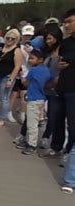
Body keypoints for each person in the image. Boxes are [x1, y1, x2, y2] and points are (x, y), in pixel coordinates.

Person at [0, 29, 23, 127]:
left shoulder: (17, 50)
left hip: (7, 76)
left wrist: (11, 79)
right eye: (8, 38)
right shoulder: (1, 47)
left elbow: (17, 66)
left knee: (4, 99)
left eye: (12, 38)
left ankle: (2, 118)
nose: (10, 40)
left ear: (16, 39)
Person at [19, 48, 52, 155]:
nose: (30, 60)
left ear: (40, 59)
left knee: (32, 124)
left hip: (33, 99)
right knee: (35, 121)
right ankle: (30, 142)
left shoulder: (33, 70)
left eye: (32, 58)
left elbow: (26, 82)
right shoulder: (47, 70)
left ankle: (31, 144)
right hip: (42, 98)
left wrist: (22, 78)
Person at [39, 26, 65, 156]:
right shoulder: (48, 52)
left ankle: (50, 140)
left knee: (54, 116)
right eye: (46, 39)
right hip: (45, 86)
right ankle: (50, 140)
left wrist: (55, 80)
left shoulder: (62, 51)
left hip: (56, 87)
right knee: (47, 114)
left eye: (49, 38)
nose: (47, 41)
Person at [56, 8, 75, 168]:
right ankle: (57, 148)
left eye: (70, 21)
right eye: (65, 22)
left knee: (73, 124)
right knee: (57, 119)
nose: (67, 25)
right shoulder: (66, 42)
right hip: (63, 85)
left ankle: (69, 153)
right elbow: (62, 58)